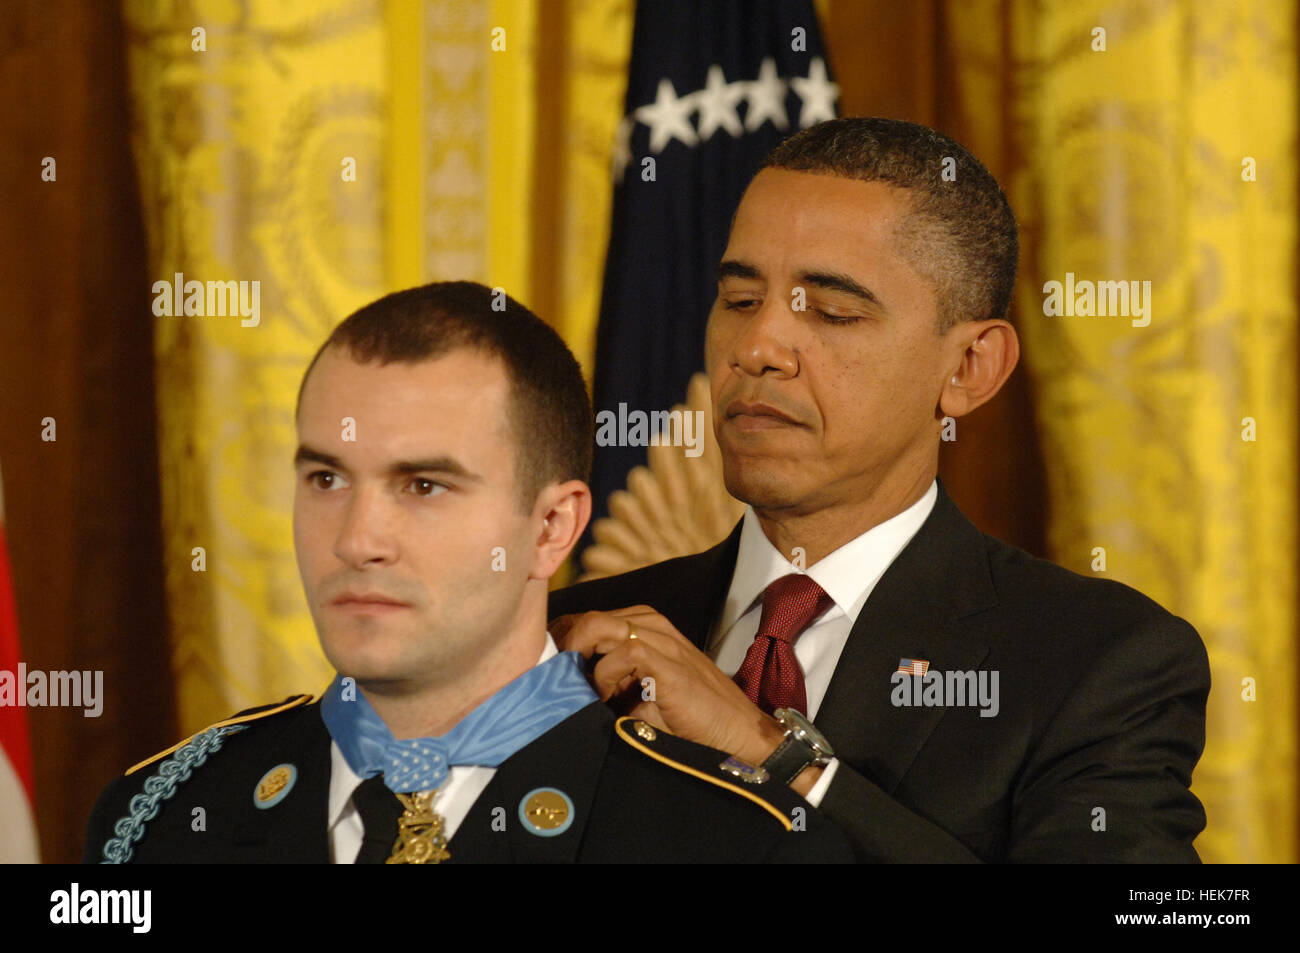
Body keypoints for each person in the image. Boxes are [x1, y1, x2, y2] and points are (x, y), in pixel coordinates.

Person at [549, 118, 1210, 863]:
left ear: (969, 368)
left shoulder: (1099, 664)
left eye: (832, 312)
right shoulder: (565, 638)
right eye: (738, 300)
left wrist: (771, 753)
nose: (757, 349)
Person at [83, 281, 852, 864]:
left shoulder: (735, 841)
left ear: (551, 527)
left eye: (423, 486)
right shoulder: (156, 817)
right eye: (326, 478)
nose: (357, 539)